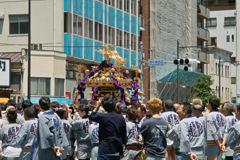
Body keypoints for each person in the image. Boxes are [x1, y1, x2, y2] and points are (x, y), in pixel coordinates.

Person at [89, 95, 126, 160]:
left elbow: (92, 116)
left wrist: (98, 105)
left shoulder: (102, 117)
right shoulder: (121, 118)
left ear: (104, 107)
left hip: (104, 148)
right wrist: (121, 151)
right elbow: (123, 135)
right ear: (114, 106)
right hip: (116, 148)